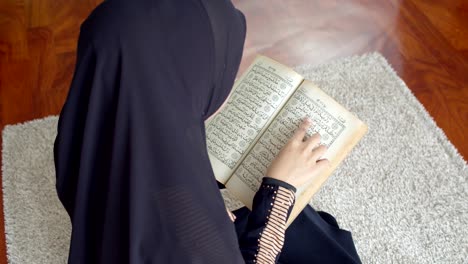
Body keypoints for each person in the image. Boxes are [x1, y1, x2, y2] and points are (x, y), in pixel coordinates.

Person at [53, 0, 362, 263]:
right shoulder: (195, 250)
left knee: (303, 228)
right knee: (313, 238)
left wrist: (199, 201)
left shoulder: (87, 125)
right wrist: (279, 189)